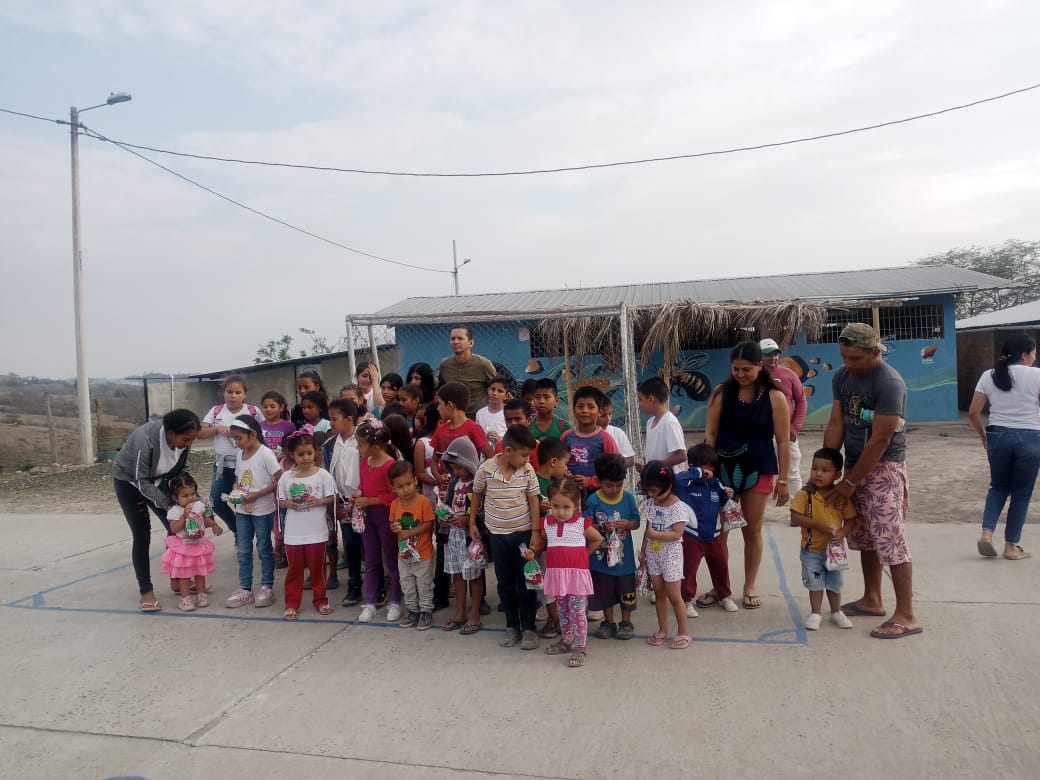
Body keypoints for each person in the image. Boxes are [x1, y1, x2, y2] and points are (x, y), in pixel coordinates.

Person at [823, 323, 921, 639]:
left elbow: (880, 439)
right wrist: (828, 467)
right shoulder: (842, 377)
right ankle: (872, 599)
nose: (848, 364)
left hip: (884, 468)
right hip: (854, 464)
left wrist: (850, 483)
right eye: (844, 357)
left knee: (890, 540)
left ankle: (906, 615)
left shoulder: (889, 383)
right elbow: (836, 422)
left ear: (875, 352)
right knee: (865, 538)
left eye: (855, 358)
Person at [704, 341, 791, 610]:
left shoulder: (775, 397)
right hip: (723, 469)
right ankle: (720, 587)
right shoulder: (721, 393)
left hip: (759, 468)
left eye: (746, 369)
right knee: (721, 530)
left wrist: (784, 479)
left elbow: (783, 442)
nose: (740, 374)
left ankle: (749, 585)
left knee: (752, 530)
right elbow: (710, 434)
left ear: (759, 366)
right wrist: (706, 469)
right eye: (736, 369)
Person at [112, 408, 200, 612]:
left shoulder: (183, 442)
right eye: (186, 439)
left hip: (160, 480)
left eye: (192, 440)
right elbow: (141, 482)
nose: (188, 444)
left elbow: (182, 473)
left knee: (175, 528)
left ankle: (177, 579)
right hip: (129, 482)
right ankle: (146, 591)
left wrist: (196, 500)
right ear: (170, 434)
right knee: (142, 535)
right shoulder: (145, 440)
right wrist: (169, 504)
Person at [969, 333, 1040, 560]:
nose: (1035, 357)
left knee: (998, 487)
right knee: (1021, 494)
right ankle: (1011, 547)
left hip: (997, 436)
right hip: (1030, 437)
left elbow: (973, 412)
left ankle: (987, 534)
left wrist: (983, 435)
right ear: (1024, 355)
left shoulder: (988, 375)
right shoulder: (1037, 375)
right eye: (1034, 353)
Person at [471, 424, 542, 650]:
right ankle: (512, 626)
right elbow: (477, 494)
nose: (527, 459)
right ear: (508, 450)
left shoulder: (527, 470)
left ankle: (529, 627)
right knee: (505, 583)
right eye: (524, 455)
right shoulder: (486, 469)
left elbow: (533, 500)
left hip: (523, 534)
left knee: (526, 582)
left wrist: (535, 532)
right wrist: (472, 522)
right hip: (498, 536)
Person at [527, 479, 602, 668]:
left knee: (577, 612)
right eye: (556, 506)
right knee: (563, 611)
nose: (561, 512)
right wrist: (532, 551)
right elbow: (543, 543)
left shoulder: (581, 523)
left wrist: (583, 556)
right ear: (549, 504)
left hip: (576, 577)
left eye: (566, 507)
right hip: (558, 576)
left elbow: (597, 539)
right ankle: (567, 641)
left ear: (576, 505)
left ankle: (580, 647)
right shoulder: (547, 524)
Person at [789, 447, 857, 630]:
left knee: (835, 582)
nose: (818, 474)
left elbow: (851, 519)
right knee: (815, 582)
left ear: (837, 474)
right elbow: (795, 516)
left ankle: (836, 611)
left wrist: (842, 533)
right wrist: (817, 524)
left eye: (825, 470)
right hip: (812, 550)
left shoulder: (840, 496)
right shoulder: (805, 494)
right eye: (814, 468)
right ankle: (816, 613)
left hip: (835, 551)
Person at [277, 427, 337, 620]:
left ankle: (321, 600)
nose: (305, 458)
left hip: (317, 531)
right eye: (301, 454)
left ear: (316, 452)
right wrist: (289, 503)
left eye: (309, 453)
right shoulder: (286, 477)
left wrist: (318, 501)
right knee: (294, 569)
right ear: (291, 455)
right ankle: (292, 603)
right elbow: (280, 501)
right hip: (293, 533)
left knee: (317, 568)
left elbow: (332, 497)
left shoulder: (323, 475)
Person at [226, 416, 283, 609]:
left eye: (239, 438)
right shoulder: (240, 455)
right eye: (234, 438)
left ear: (253, 434)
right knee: (243, 550)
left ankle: (267, 587)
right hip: (242, 510)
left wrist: (257, 494)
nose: (236, 442)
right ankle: (245, 589)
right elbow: (238, 480)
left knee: (264, 548)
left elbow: (279, 480)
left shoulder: (265, 454)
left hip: (262, 511)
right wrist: (236, 490)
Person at [638, 461, 694, 650]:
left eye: (654, 490)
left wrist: (655, 535)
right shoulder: (651, 503)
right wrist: (643, 551)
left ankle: (684, 632)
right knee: (659, 593)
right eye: (648, 490)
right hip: (653, 554)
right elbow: (647, 529)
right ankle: (663, 630)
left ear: (668, 485)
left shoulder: (678, 507)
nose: (651, 494)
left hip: (670, 557)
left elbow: (676, 534)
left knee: (674, 596)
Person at [586, 453, 642, 640]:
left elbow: (636, 522)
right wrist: (602, 527)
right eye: (609, 485)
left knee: (626, 590)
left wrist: (628, 524)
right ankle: (608, 621)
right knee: (605, 591)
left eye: (619, 485)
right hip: (601, 559)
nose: (615, 489)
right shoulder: (593, 501)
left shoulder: (628, 498)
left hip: (624, 561)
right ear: (598, 481)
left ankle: (626, 622)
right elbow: (585, 525)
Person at [676, 444, 737, 614]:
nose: (709, 472)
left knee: (721, 567)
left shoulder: (715, 483)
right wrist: (697, 473)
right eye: (706, 468)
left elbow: (724, 498)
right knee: (688, 570)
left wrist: (728, 493)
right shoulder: (686, 483)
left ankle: (724, 596)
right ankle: (686, 601)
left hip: (715, 536)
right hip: (692, 536)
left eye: (712, 468)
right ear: (692, 466)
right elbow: (675, 480)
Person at [198, 374, 262, 534]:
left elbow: (262, 433)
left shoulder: (253, 411)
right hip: (223, 467)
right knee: (217, 501)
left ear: (244, 394)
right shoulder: (216, 411)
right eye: (230, 392)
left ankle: (248, 536)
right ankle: (238, 531)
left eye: (238, 392)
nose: (233, 396)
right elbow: (200, 432)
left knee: (243, 502)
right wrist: (216, 428)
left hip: (247, 466)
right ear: (223, 393)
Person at [355, 421, 402, 623]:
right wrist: (358, 493)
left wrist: (371, 500)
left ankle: (395, 600)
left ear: (375, 447)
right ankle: (371, 601)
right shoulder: (365, 462)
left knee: (391, 558)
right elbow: (363, 484)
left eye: (361, 445)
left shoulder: (390, 466)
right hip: (369, 518)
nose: (358, 448)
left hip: (386, 517)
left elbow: (395, 495)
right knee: (371, 559)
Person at [439, 436, 488, 635]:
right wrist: (443, 518)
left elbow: (485, 510)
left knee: (474, 576)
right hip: (452, 536)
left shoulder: (478, 484)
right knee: (457, 575)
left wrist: (468, 519)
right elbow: (448, 505)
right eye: (453, 468)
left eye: (460, 467)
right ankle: (460, 612)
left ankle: (474, 614)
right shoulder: (453, 483)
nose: (457, 471)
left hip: (471, 538)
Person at [760, 338, 808, 515]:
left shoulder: (788, 375)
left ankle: (797, 511)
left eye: (775, 354)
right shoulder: (753, 376)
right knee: (760, 472)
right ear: (759, 356)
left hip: (786, 433)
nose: (772, 358)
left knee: (792, 472)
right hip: (760, 434)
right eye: (767, 354)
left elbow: (801, 401)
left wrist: (795, 427)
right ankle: (758, 511)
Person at [324, 399, 365, 606]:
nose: (331, 423)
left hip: (364, 501)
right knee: (351, 544)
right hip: (343, 502)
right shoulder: (331, 444)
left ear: (349, 419)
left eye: (334, 419)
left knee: (369, 545)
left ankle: (377, 587)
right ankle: (354, 585)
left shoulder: (362, 440)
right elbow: (329, 473)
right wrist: (336, 502)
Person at [161, 473, 221, 612]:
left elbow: (204, 519)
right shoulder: (175, 511)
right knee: (185, 574)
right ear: (175, 498)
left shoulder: (198, 505)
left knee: (200, 572)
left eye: (193, 494)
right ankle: (186, 598)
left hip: (198, 544)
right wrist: (184, 516)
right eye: (185, 496)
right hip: (183, 546)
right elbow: (174, 529)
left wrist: (214, 525)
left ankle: (201, 595)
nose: (190, 498)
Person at [388, 461, 437, 630]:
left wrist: (409, 533)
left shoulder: (423, 502)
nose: (406, 489)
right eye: (400, 486)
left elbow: (429, 523)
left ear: (416, 481)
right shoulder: (395, 504)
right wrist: (395, 527)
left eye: (408, 484)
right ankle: (412, 610)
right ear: (393, 488)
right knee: (407, 583)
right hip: (404, 555)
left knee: (424, 583)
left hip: (423, 553)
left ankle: (426, 610)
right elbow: (392, 523)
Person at [533, 436, 571, 638]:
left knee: (562, 581)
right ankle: (552, 617)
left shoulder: (561, 484)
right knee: (545, 581)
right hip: (542, 544)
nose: (567, 468)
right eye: (565, 463)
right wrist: (537, 508)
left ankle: (565, 616)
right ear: (554, 462)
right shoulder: (533, 482)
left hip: (561, 543)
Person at [432, 382, 494, 483]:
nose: (437, 408)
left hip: (468, 488)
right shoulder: (440, 430)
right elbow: (434, 461)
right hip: (446, 488)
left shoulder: (473, 428)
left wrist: (475, 474)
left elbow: (490, 456)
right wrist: (439, 478)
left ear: (450, 405)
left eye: (439, 404)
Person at [561, 386, 619, 493]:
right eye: (580, 406)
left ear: (599, 411)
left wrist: (591, 482)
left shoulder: (606, 439)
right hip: (570, 494)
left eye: (591, 407)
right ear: (573, 410)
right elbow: (560, 463)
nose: (585, 411)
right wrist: (565, 473)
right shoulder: (566, 436)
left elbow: (615, 469)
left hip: (598, 495)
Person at [438, 326, 497, 416]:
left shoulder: (483, 364)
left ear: (471, 343)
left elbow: (498, 388)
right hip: (453, 416)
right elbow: (441, 390)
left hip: (478, 416)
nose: (455, 342)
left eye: (460, 338)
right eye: (452, 339)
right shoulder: (445, 365)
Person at [636, 377, 686, 473]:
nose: (640, 404)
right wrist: (644, 461)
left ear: (651, 399)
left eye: (641, 399)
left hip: (667, 480)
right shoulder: (650, 422)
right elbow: (657, 452)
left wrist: (654, 468)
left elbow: (681, 455)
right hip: (654, 478)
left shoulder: (670, 422)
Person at [598, 400, 636, 470]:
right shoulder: (585, 434)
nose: (608, 418)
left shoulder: (617, 432)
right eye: (603, 415)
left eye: (610, 414)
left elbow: (631, 460)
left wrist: (616, 462)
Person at [259, 391, 296, 457]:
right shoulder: (258, 426)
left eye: (272, 406)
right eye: (265, 407)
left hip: (282, 462)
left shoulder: (289, 426)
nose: (268, 409)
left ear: (281, 407)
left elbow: (294, 446)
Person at [476, 375, 510, 445]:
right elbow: (476, 437)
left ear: (506, 396)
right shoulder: (480, 413)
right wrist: (485, 438)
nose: (495, 393)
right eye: (493, 389)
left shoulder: (509, 413)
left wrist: (500, 440)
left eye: (500, 391)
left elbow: (514, 438)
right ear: (488, 390)